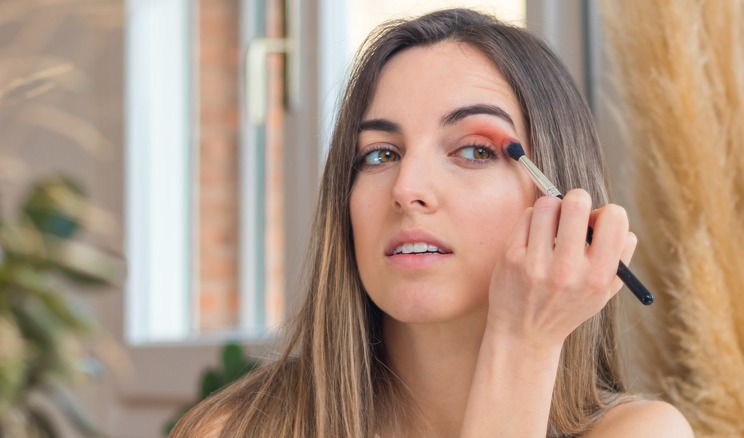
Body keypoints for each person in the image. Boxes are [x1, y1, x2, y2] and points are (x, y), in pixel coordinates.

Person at [171, 8, 693, 437]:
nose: (406, 189)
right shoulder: (236, 430)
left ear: (558, 199)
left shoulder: (640, 433)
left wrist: (522, 344)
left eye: (472, 149)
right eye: (379, 155)